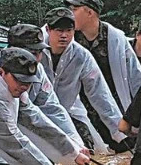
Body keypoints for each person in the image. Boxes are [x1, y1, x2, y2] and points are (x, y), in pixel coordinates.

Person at [41, 9, 124, 151]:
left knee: (90, 150)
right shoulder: (35, 51)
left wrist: (119, 132)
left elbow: (100, 93)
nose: (64, 35)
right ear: (48, 29)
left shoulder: (81, 56)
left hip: (68, 113)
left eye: (69, 30)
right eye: (59, 30)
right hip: (34, 114)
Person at [5, 22, 89, 157]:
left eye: (39, 53)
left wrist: (75, 142)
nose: (37, 59)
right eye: (32, 53)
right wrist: (68, 145)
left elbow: (52, 108)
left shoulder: (37, 70)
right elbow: (30, 115)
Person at [70, 0, 141, 131]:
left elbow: (136, 76)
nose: (71, 14)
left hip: (113, 104)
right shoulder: (70, 38)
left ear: (90, 13)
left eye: (75, 10)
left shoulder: (116, 38)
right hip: (80, 106)